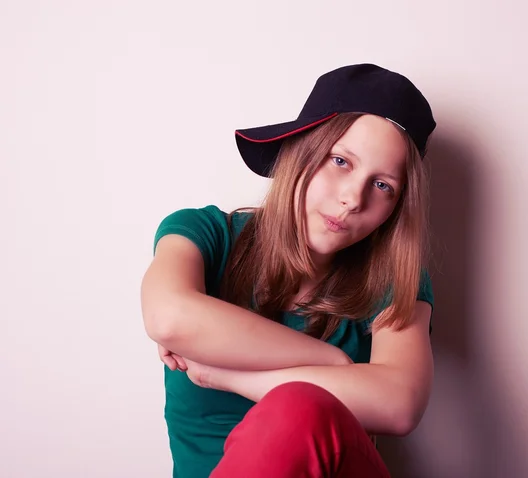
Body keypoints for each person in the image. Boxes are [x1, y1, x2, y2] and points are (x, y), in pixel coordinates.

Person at [141, 63, 437, 478]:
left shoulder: (393, 281)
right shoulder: (206, 234)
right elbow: (169, 317)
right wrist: (330, 361)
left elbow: (400, 403)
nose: (353, 198)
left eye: (383, 185)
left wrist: (229, 377)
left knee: (297, 409)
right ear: (302, 151)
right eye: (340, 161)